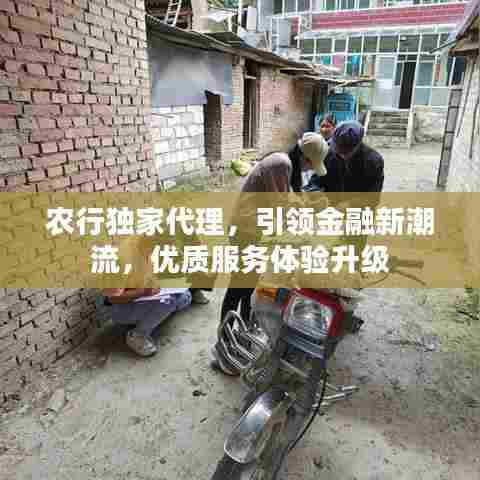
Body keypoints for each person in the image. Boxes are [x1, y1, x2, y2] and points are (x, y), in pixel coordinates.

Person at [211, 132, 329, 375]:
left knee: (248, 289)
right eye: (311, 165)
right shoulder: (281, 164)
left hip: (254, 232)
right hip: (245, 232)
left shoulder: (286, 166)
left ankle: (241, 338)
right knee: (238, 288)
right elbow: (281, 209)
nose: (310, 170)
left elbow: (288, 203)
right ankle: (223, 347)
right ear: (305, 158)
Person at [102, 288, 192, 357]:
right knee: (169, 300)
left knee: (185, 296)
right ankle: (138, 335)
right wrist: (143, 292)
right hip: (120, 310)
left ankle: (153, 315)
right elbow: (112, 298)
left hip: (145, 296)